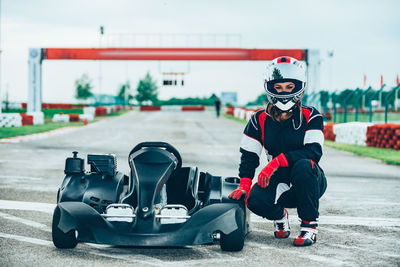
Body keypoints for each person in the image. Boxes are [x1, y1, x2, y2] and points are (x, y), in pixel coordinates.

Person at [229, 56, 327, 247]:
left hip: (309, 180)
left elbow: (313, 152)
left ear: (299, 87)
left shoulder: (312, 115)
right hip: (278, 180)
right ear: (270, 87)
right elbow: (249, 156)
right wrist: (244, 185)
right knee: (253, 199)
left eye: (290, 87)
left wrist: (276, 161)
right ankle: (281, 216)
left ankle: (309, 227)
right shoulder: (258, 119)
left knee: (304, 166)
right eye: (279, 87)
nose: (284, 92)